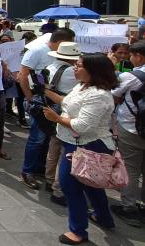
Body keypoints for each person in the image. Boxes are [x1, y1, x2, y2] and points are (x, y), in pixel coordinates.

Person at [42, 53, 118, 244]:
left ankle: (78, 231)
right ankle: (103, 217)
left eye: (79, 65)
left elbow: (83, 126)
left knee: (70, 186)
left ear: (93, 70)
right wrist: (46, 91)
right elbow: (67, 102)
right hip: (73, 142)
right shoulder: (82, 86)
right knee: (91, 184)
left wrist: (57, 118)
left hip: (87, 145)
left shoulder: (99, 95)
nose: (75, 68)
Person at [19, 29, 75, 189]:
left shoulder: (59, 60)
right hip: (42, 102)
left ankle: (40, 168)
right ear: (62, 41)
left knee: (47, 139)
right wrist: (30, 98)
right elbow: (23, 75)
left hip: (54, 104)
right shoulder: (37, 50)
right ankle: (27, 171)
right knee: (37, 138)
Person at [40, 41, 81, 207]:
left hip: (53, 107)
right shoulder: (73, 72)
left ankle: (49, 179)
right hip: (66, 112)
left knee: (53, 147)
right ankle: (58, 186)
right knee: (64, 152)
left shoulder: (50, 67)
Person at [110, 40, 145, 227]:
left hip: (132, 128)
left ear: (138, 56)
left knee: (130, 168)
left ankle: (129, 208)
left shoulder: (133, 76)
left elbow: (113, 96)